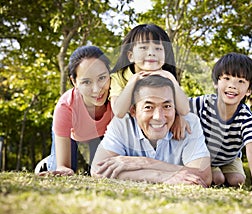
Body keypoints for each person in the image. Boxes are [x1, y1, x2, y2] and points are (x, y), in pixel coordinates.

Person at [91, 75, 211, 187]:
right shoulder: (122, 124)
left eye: (167, 106)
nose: (158, 117)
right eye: (148, 107)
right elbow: (98, 171)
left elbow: (204, 175)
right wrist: (161, 176)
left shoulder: (189, 123)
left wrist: (144, 163)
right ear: (133, 110)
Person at [189, 52, 252, 194]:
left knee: (237, 180)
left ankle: (224, 173)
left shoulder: (246, 116)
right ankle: (215, 173)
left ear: (249, 90)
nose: (232, 85)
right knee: (217, 178)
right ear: (216, 83)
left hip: (229, 158)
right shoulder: (204, 103)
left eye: (241, 81)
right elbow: (179, 107)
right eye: (227, 78)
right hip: (205, 156)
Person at [35, 45, 113, 176]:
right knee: (64, 170)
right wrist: (63, 168)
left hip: (103, 135)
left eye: (102, 78)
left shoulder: (118, 98)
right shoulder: (66, 106)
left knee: (103, 171)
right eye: (86, 82)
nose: (97, 89)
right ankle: (48, 162)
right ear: (74, 82)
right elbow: (63, 166)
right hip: (72, 135)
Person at [110, 23, 190, 139]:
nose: (151, 53)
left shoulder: (165, 76)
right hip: (130, 131)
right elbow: (119, 112)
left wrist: (172, 79)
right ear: (131, 56)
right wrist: (133, 81)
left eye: (158, 48)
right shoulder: (120, 76)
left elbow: (184, 109)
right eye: (144, 47)